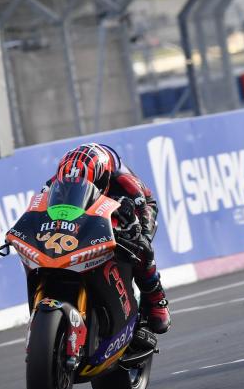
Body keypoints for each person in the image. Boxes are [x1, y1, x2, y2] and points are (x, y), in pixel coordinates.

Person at [46, 143, 171, 334]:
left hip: (133, 206)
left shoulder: (124, 180)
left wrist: (141, 232)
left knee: (140, 244)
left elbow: (145, 206)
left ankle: (156, 299)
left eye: (84, 185)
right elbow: (39, 207)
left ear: (102, 178)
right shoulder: (59, 179)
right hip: (83, 210)